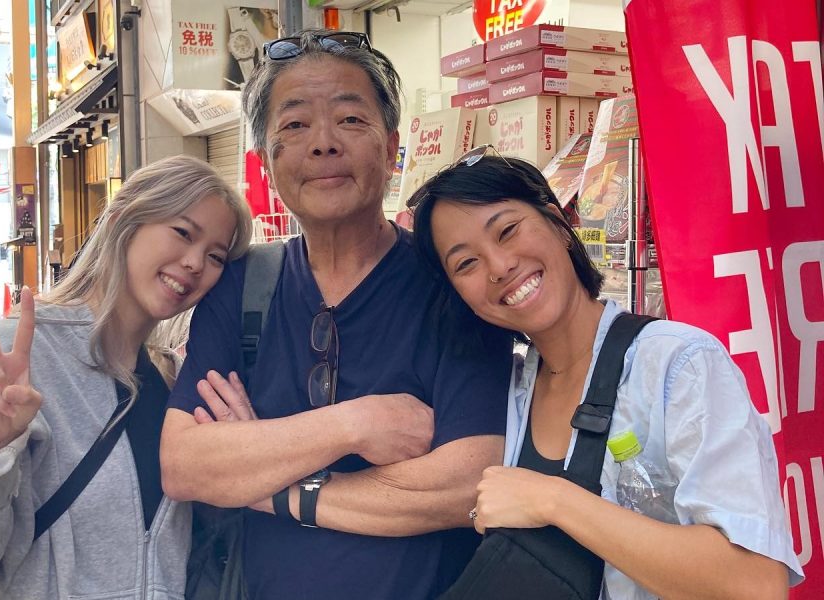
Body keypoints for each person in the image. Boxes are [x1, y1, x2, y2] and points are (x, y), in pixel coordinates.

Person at [160, 30, 514, 600]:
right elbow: (185, 465)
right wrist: (355, 424)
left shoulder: (451, 286)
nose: (323, 143)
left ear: (392, 148)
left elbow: (467, 484)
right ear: (265, 163)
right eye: (295, 124)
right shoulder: (240, 288)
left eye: (350, 119)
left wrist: (261, 479)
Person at [408, 150, 804, 599]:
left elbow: (757, 584)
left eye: (508, 230)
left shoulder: (677, 365)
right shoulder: (506, 392)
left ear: (559, 223)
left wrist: (555, 501)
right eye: (466, 263)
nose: (499, 267)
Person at [0, 156, 254, 598]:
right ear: (123, 221)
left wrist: (235, 461)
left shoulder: (174, 384)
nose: (195, 262)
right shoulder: (16, 357)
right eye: (183, 232)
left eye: (216, 256)